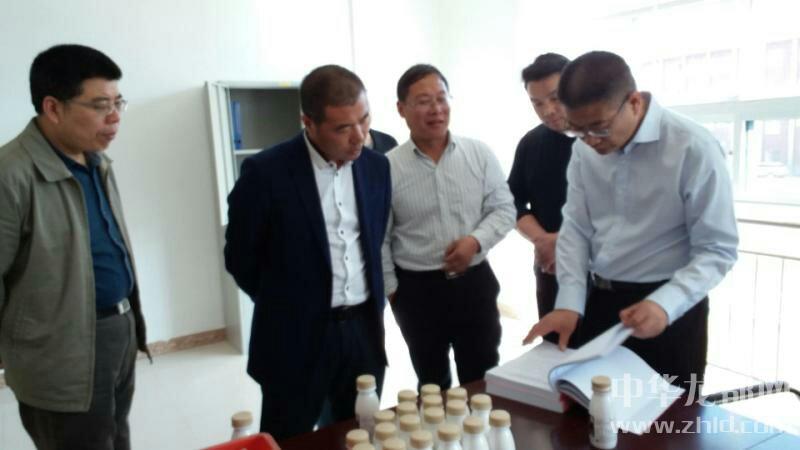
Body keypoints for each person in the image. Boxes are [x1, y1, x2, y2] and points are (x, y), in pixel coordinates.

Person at [523, 51, 738, 389]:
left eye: (600, 128)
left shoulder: (692, 148)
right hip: (602, 301)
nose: (591, 141)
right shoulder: (584, 148)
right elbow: (576, 228)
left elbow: (717, 249)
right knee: (592, 408)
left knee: (669, 416)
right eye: (578, 131)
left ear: (635, 102)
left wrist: (665, 304)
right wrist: (569, 303)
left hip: (669, 309)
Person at [224, 65, 391, 440]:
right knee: (289, 437)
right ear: (308, 123)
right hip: (294, 334)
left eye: (364, 120)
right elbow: (241, 258)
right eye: (343, 128)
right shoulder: (266, 172)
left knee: (357, 434)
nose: (359, 136)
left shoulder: (377, 167)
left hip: (362, 331)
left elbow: (373, 240)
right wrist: (286, 301)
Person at [0, 44, 148, 450]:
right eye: (100, 105)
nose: (115, 117)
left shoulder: (96, 160)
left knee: (115, 436)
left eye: (118, 103)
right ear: (53, 108)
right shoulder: (11, 175)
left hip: (117, 330)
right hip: (59, 352)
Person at [383, 64, 516, 391]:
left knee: (482, 376)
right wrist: (393, 291)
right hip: (416, 292)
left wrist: (475, 241)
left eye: (441, 98)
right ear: (401, 108)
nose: (436, 109)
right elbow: (379, 238)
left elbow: (504, 209)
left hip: (474, 283)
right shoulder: (386, 167)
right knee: (431, 382)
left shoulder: (479, 153)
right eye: (423, 101)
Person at [507, 53, 575, 344]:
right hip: (550, 269)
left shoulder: (601, 139)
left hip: (604, 276)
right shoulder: (531, 143)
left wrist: (567, 242)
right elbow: (511, 201)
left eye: (555, 98)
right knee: (556, 351)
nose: (548, 110)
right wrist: (542, 240)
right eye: (537, 103)